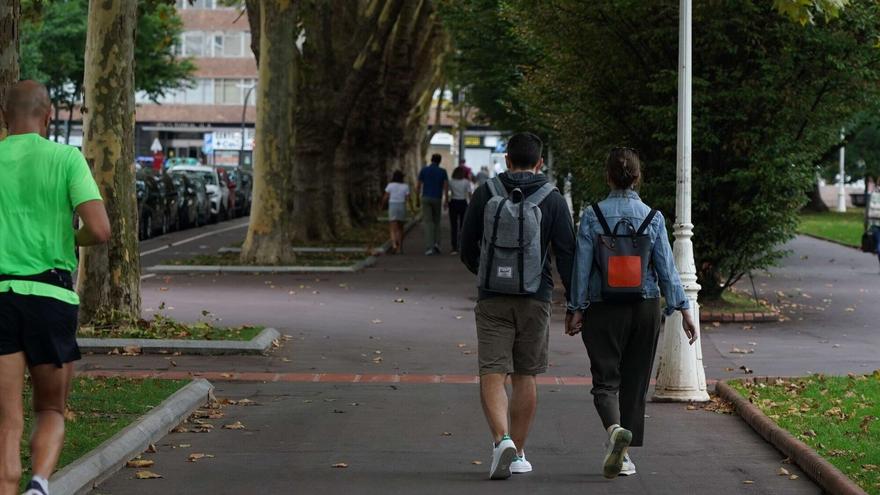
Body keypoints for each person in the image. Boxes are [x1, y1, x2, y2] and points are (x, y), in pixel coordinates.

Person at [0, 81, 111, 495]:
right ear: (48, 116)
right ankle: (40, 483)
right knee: (50, 407)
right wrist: (69, 239)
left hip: (1, 297)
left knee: (6, 422)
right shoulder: (67, 158)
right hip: (52, 298)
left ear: (4, 117)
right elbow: (99, 230)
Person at [565, 147, 697, 480]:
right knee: (635, 383)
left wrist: (576, 308)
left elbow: (582, 267)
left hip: (603, 307)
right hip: (645, 307)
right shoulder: (654, 218)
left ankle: (614, 432)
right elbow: (666, 268)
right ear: (637, 177)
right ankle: (623, 456)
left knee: (605, 381)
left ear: (608, 176)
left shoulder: (593, 216)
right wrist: (683, 309)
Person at [460, 132, 575, 479]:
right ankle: (519, 451)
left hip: (493, 296)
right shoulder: (552, 199)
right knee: (526, 375)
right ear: (540, 162)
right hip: (535, 297)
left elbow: (466, 245)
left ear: (506, 160)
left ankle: (501, 440)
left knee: (492, 372)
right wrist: (575, 302)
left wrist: (484, 272)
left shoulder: (486, 192)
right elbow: (567, 253)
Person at [417, 154, 449, 255]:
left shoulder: (424, 170)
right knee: (437, 222)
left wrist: (418, 198)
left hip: (426, 197)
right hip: (437, 198)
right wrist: (446, 200)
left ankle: (429, 247)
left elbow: (418, 185)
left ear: (431, 160)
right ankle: (437, 244)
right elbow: (445, 186)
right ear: (439, 161)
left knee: (428, 223)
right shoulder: (442, 171)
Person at [383, 170, 410, 254]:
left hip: (393, 206)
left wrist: (382, 205)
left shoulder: (390, 185)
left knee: (392, 228)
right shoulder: (405, 186)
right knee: (400, 228)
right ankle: (400, 248)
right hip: (401, 205)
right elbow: (407, 198)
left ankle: (394, 245)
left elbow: (385, 197)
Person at [448, 166, 472, 255]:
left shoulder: (451, 181)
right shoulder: (466, 182)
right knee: (463, 226)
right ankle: (462, 246)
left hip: (453, 203)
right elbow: (469, 194)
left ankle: (454, 247)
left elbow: (448, 192)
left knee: (454, 226)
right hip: (463, 203)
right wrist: (471, 204)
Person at [869, 181, 880, 269]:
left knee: (879, 244)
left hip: (875, 222)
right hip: (876, 223)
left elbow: (870, 210)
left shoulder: (874, 194)